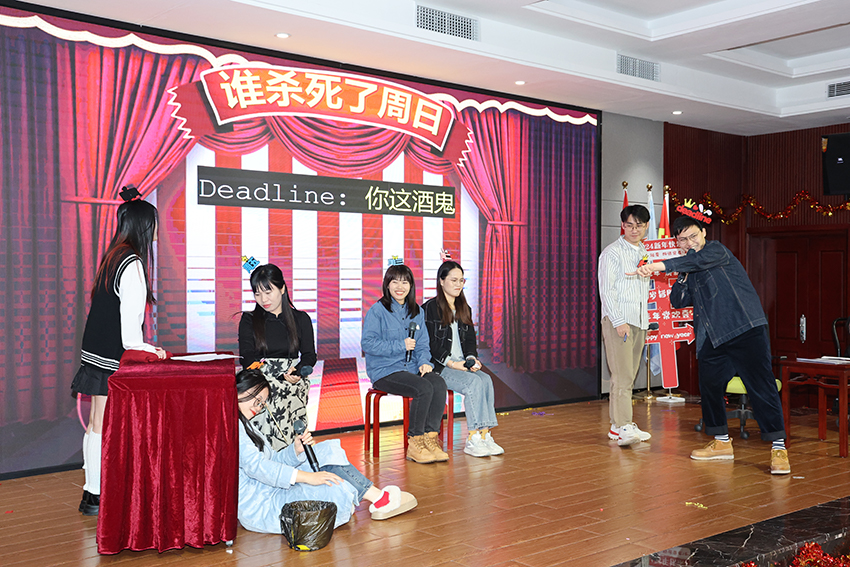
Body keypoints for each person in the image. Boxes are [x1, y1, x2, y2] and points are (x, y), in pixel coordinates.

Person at [636, 215, 790, 474]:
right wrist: (682, 274)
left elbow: (699, 260)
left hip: (745, 328)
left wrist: (658, 266)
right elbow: (678, 301)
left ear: (704, 233)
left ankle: (778, 448)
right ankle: (721, 443)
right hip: (713, 336)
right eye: (682, 240)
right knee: (709, 385)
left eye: (693, 236)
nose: (689, 243)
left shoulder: (717, 250)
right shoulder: (688, 266)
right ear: (677, 243)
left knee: (761, 386)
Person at [70, 195, 167, 516]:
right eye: (154, 223)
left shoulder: (113, 255)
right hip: (110, 355)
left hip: (95, 351)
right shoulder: (132, 261)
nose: (157, 229)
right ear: (144, 225)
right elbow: (130, 336)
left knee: (95, 423)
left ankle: (91, 492)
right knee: (100, 424)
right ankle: (96, 494)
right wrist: (152, 350)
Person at [236, 369, 417, 533]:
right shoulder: (234, 427)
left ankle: (377, 497)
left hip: (273, 489)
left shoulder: (245, 424)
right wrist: (309, 477)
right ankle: (378, 498)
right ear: (237, 390)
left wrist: (295, 450)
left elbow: (271, 461)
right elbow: (258, 467)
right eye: (257, 400)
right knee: (336, 487)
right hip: (263, 505)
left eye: (262, 403)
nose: (258, 407)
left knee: (326, 450)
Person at [362, 264, 449, 464]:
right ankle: (415, 443)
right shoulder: (377, 311)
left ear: (411, 285)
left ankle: (430, 439)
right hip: (385, 371)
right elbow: (368, 344)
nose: (400, 287)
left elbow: (423, 344)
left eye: (405, 282)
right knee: (423, 388)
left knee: (438, 383)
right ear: (387, 285)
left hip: (410, 369)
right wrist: (400, 345)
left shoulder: (417, 311)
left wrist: (424, 362)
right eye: (395, 282)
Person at [423, 260, 503, 458]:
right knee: (473, 383)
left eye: (461, 280)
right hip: (441, 367)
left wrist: (471, 358)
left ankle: (485, 434)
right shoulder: (430, 308)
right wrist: (452, 363)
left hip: (461, 363)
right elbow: (430, 344)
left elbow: (469, 340)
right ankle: (473, 438)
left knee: (486, 380)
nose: (458, 284)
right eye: (453, 280)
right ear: (441, 281)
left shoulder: (464, 307)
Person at [239, 263, 318, 451]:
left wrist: (297, 372)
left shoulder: (301, 319)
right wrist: (269, 378)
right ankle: (268, 457)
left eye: (268, 292)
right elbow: (247, 357)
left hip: (293, 380)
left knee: (290, 392)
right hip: (260, 379)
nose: (263, 299)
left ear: (282, 289)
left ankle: (295, 455)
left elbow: (309, 355)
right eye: (257, 294)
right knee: (269, 393)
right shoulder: (249, 320)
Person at [598, 204, 653, 446]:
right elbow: (606, 290)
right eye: (629, 225)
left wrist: (645, 320)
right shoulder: (612, 253)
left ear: (646, 226)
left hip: (639, 320)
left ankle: (617, 426)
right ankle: (623, 425)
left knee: (629, 375)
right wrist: (619, 321)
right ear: (622, 225)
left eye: (639, 225)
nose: (634, 230)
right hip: (619, 321)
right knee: (621, 375)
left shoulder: (644, 251)